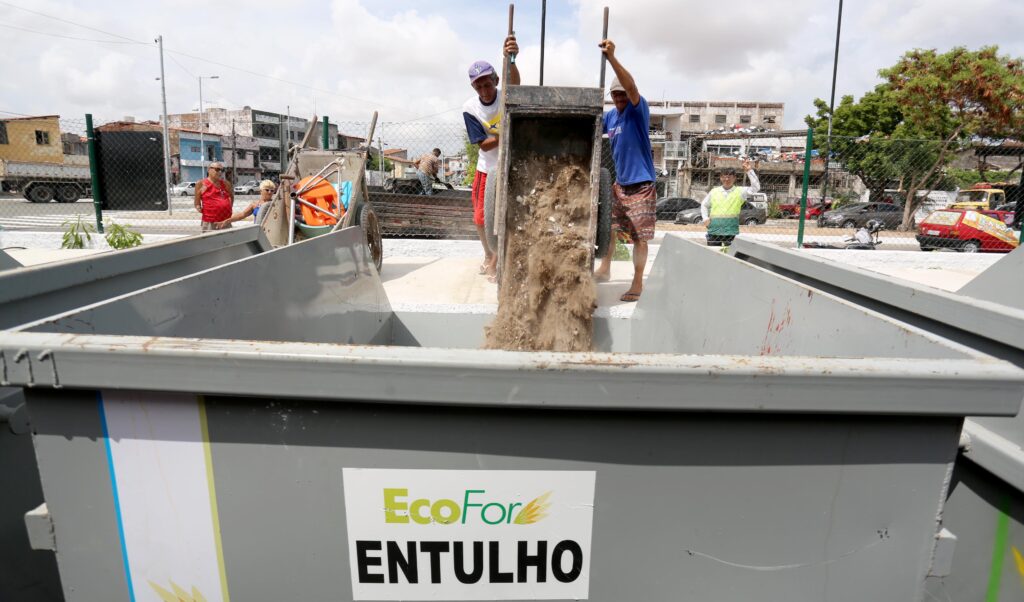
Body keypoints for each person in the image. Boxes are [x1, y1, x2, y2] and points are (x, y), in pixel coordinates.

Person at [592, 39, 658, 303]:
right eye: (615, 95)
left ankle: (637, 282)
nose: (619, 98)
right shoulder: (610, 117)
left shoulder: (636, 109)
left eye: (621, 94)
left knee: (639, 237)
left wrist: (611, 59)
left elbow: (630, 86)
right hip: (620, 184)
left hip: (642, 183)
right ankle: (605, 268)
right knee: (609, 229)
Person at [463, 34, 519, 279]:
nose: (484, 90)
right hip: (487, 168)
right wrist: (503, 133)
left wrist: (512, 58)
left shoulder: (506, 96)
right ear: (474, 87)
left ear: (496, 80)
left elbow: (517, 86)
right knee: (480, 218)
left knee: (507, 216)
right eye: (479, 86)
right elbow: (484, 146)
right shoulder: (470, 108)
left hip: (510, 166)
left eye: (488, 84)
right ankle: (488, 254)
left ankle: (498, 260)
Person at [700, 160, 760, 246]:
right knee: (713, 255)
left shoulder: (740, 191)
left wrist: (749, 171)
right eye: (724, 176)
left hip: (731, 231)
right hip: (714, 230)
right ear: (720, 178)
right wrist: (705, 218)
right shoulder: (714, 191)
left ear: (734, 178)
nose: (727, 179)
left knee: (730, 256)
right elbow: (704, 205)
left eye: (730, 177)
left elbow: (756, 187)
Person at [195, 161, 234, 232]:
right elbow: (197, 202)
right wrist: (198, 207)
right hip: (210, 221)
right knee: (210, 241)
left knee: (227, 241)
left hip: (225, 220)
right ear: (209, 170)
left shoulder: (226, 184)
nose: (220, 172)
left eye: (222, 170)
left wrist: (229, 207)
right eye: (217, 169)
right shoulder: (201, 184)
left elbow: (231, 196)